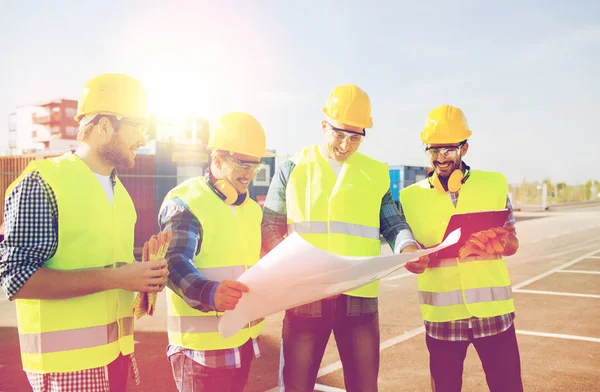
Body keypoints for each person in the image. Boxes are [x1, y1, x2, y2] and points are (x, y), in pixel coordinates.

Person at [0, 73, 169, 392]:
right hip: (66, 372)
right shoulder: (42, 183)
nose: (144, 139)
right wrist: (118, 278)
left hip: (117, 360)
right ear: (105, 125)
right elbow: (16, 279)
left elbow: (112, 283)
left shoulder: (123, 198)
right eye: (139, 127)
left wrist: (144, 284)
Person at [261, 84, 421, 392]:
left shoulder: (375, 173)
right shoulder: (292, 168)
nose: (346, 145)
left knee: (364, 387)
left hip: (358, 299)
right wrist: (297, 270)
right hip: (306, 296)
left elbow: (393, 222)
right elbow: (270, 227)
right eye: (339, 134)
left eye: (355, 136)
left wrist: (408, 246)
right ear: (324, 125)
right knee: (296, 386)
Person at [399, 104, 523, 392]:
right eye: (433, 151)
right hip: (443, 320)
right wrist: (411, 259)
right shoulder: (410, 198)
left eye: (448, 151)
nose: (440, 159)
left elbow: (513, 243)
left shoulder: (493, 185)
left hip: (494, 316)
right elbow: (406, 251)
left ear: (464, 148)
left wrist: (501, 243)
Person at [159, 112, 272, 392]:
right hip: (200, 351)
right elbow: (173, 262)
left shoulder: (251, 210)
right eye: (241, 164)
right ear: (217, 160)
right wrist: (211, 292)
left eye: (254, 166)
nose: (248, 173)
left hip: (241, 340)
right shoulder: (186, 201)